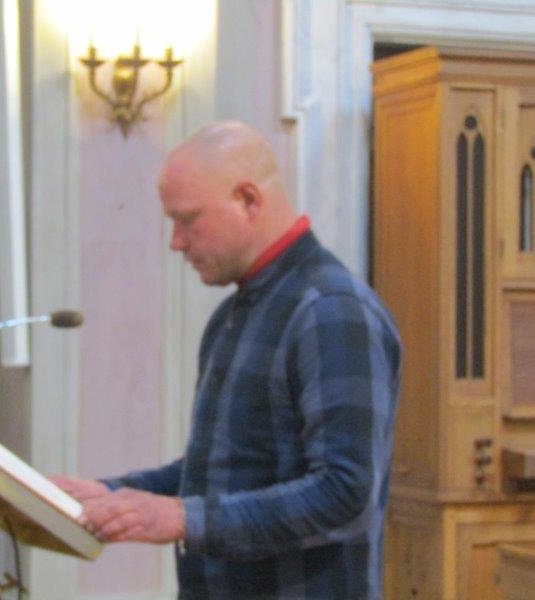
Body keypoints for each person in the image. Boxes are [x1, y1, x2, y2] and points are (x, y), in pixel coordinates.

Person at [53, 121, 402, 599]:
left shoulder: (331, 310)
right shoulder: (232, 316)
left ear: (249, 200)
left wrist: (183, 518)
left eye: (188, 220)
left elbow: (345, 495)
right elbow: (223, 470)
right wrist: (115, 494)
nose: (176, 242)